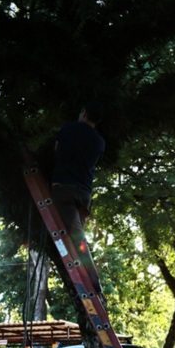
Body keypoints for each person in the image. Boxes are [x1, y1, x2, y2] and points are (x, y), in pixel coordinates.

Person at [51, 101, 106, 292]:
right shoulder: (99, 141)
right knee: (78, 235)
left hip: (64, 189)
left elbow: (57, 149)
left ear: (84, 112)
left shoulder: (68, 129)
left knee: (77, 237)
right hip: (84, 194)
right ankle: (87, 275)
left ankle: (92, 277)